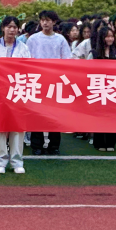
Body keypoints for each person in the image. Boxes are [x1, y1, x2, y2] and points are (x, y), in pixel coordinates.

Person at [0, 16, 30, 174]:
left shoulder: (23, 48)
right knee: (0, 127)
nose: (12, 30)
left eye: (15, 27)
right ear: (3, 28)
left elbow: (29, 69)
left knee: (17, 127)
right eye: (9, 26)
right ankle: (0, 161)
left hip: (17, 91)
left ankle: (17, 161)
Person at [26, 10, 72, 155]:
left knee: (54, 115)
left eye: (48, 20)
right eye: (43, 20)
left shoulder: (60, 39)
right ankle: (37, 145)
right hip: (37, 81)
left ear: (54, 22)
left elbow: (67, 60)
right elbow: (27, 59)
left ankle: (54, 145)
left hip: (55, 81)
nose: (45, 23)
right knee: (37, 114)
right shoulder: (33, 39)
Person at [90, 25, 116, 152]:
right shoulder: (94, 53)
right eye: (107, 36)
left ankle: (111, 142)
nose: (110, 39)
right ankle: (99, 142)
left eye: (111, 36)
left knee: (112, 116)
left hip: (113, 87)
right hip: (98, 87)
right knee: (99, 116)